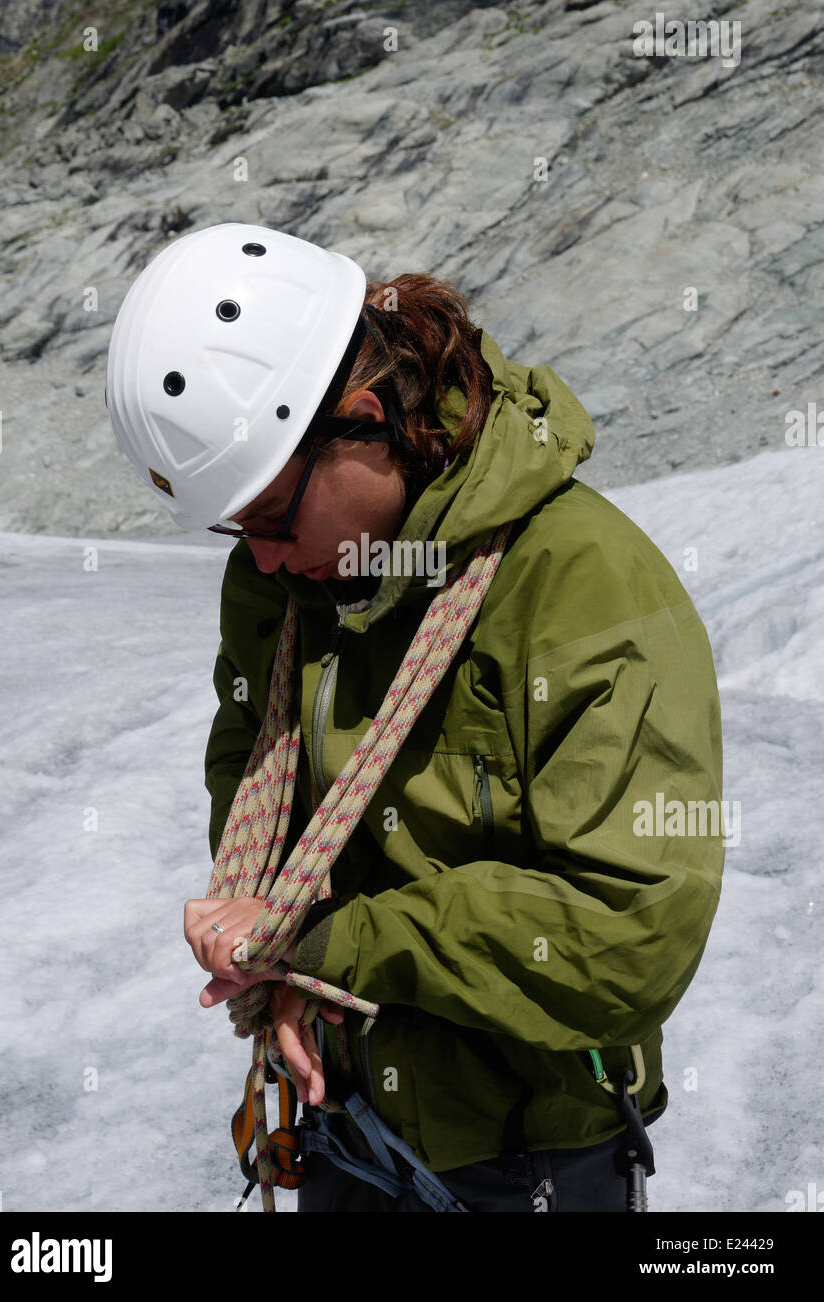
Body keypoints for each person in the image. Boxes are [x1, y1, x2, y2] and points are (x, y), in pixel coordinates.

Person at [106, 222, 725, 1212]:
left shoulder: (578, 584)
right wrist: (266, 940)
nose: (258, 558)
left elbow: (628, 931)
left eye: (271, 516)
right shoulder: (287, 587)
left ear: (364, 416)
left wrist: (329, 945)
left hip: (528, 1166)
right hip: (337, 1122)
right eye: (236, 528)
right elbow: (254, 791)